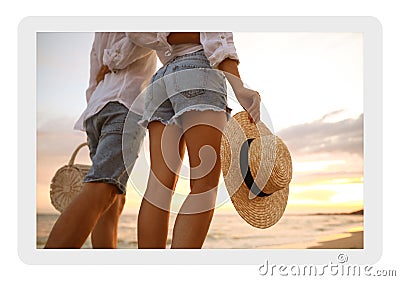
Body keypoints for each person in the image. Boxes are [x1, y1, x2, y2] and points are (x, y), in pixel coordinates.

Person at [125, 32, 261, 248]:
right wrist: (239, 87)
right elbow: (217, 34)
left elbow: (134, 32)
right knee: (204, 184)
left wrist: (166, 40)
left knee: (158, 186)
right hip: (197, 69)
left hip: (161, 79)